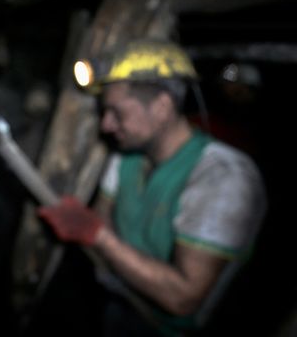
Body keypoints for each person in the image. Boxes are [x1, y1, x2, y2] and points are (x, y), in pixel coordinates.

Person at [38, 39, 266, 336]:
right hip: (120, 302)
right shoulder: (126, 156)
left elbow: (183, 298)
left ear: (161, 108)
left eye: (117, 113)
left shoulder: (223, 178)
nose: (106, 125)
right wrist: (99, 233)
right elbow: (104, 215)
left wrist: (98, 237)